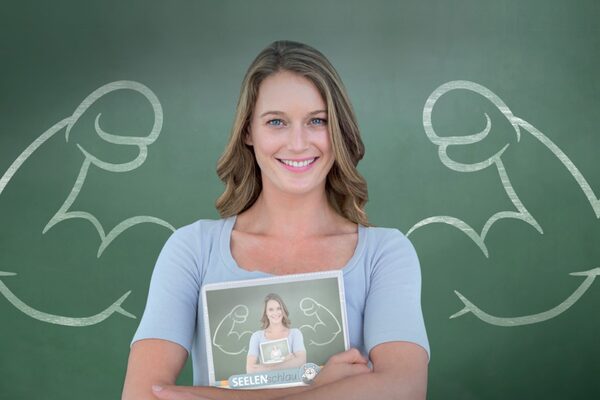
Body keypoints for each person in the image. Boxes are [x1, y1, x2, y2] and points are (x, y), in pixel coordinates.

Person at [122, 40, 430, 400]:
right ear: (249, 131)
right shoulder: (192, 250)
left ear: (339, 131)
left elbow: (404, 390)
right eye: (276, 122)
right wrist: (317, 387)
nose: (298, 143)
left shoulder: (385, 253)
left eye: (317, 121)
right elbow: (144, 395)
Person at [246, 293, 306, 373]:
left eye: (279, 308)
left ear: (283, 310)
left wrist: (266, 367)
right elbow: (250, 370)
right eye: (271, 309)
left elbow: (301, 362)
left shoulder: (295, 334)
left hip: (292, 383)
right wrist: (287, 361)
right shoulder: (257, 337)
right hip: (267, 385)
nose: (275, 312)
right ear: (266, 313)